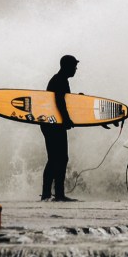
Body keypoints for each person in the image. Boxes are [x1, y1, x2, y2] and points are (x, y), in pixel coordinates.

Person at [42, 54, 79, 202]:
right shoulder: (59, 80)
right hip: (52, 124)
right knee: (59, 158)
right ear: (67, 66)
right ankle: (57, 194)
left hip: (52, 123)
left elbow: (66, 101)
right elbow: (59, 101)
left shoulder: (60, 80)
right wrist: (66, 119)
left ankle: (50, 194)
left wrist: (80, 100)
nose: (76, 69)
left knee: (56, 158)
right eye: (74, 66)